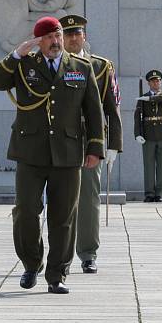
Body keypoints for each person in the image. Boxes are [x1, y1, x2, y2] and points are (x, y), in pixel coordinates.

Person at [0, 16, 105, 294]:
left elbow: (94, 111)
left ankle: (57, 274)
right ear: (39, 41)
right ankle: (31, 264)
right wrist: (16, 54)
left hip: (67, 152)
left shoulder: (81, 67)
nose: (56, 41)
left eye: (58, 35)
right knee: (26, 211)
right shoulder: (24, 64)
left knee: (63, 216)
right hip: (30, 152)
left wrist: (96, 148)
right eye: (49, 37)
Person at [59, 14, 122, 275]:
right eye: (69, 34)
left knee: (87, 199)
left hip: (89, 140)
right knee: (61, 199)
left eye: (77, 34)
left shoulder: (100, 66)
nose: (73, 38)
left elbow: (112, 107)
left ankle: (87, 253)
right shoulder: (54, 65)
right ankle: (59, 255)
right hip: (60, 139)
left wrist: (112, 145)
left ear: (84, 36)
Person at [135, 69, 162, 202]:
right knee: (149, 165)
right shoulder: (142, 97)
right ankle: (149, 193)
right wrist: (137, 134)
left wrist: (150, 98)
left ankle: (159, 193)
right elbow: (137, 117)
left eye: (158, 81)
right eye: (153, 81)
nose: (156, 83)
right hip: (148, 134)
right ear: (148, 83)